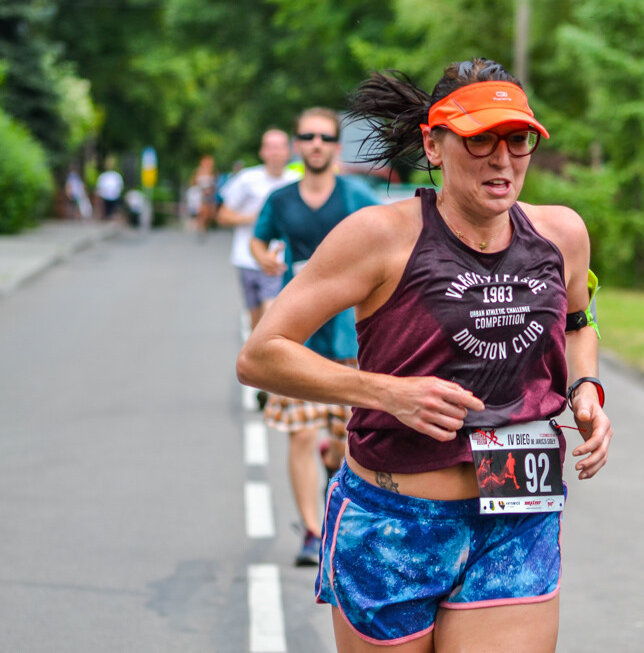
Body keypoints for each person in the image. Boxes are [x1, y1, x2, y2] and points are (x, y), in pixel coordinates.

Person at [237, 58, 612, 651]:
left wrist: (585, 387)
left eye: (518, 139)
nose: (503, 158)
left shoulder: (561, 233)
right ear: (434, 145)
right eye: (480, 139)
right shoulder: (378, 236)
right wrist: (387, 392)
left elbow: (577, 322)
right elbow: (261, 355)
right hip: (395, 523)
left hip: (517, 519)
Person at [249, 108, 381, 567]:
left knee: (347, 442)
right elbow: (259, 238)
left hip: (349, 335)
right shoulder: (282, 199)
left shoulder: (357, 196)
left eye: (324, 137)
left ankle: (333, 465)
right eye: (308, 136)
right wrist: (264, 257)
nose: (316, 144)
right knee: (302, 436)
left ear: (336, 147)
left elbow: (393, 237)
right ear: (297, 145)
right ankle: (312, 532)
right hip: (299, 335)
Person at [216, 132, 299, 333]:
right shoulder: (247, 179)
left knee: (270, 317)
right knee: (256, 321)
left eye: (280, 147)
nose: (275, 152)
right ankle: (258, 349)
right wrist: (258, 219)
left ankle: (267, 349)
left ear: (288, 151)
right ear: (262, 152)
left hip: (281, 261)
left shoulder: (297, 181)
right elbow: (222, 215)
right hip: (247, 259)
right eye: (270, 147)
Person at [187, 155, 219, 237]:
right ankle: (200, 227)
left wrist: (210, 190)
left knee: (211, 213)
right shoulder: (198, 171)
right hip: (200, 194)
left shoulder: (213, 172)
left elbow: (216, 183)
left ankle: (206, 225)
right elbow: (193, 182)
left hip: (210, 194)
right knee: (201, 211)